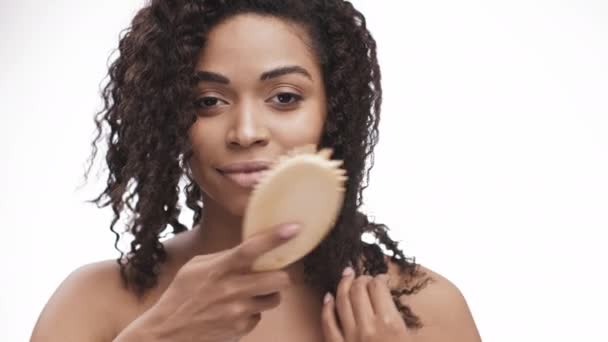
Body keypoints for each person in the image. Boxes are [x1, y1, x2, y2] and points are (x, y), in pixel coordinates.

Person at [31, 0, 481, 341]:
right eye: (207, 102)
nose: (246, 132)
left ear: (334, 111)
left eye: (284, 97)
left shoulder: (425, 310)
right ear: (170, 118)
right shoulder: (95, 302)